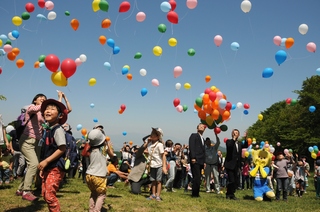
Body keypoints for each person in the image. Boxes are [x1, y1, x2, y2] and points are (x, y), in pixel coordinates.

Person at [37, 98, 68, 211]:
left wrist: (46, 161)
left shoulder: (57, 129)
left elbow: (62, 148)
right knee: (45, 194)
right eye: (46, 109)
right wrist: (44, 166)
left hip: (55, 167)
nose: (48, 110)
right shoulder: (48, 130)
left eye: (52, 109)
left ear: (60, 116)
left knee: (49, 196)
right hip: (48, 167)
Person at [16, 93, 47, 201]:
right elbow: (39, 107)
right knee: (34, 164)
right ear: (35, 100)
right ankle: (26, 191)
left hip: (37, 142)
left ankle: (20, 189)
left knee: (33, 166)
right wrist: (45, 103)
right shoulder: (31, 108)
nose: (43, 100)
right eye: (41, 99)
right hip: (27, 140)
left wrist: (60, 99)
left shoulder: (42, 114)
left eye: (45, 99)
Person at [85, 129, 114, 212]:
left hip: (89, 175)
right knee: (101, 195)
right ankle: (97, 210)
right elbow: (112, 156)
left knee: (93, 193)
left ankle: (91, 209)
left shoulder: (90, 149)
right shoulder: (103, 149)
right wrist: (108, 145)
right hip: (99, 176)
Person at [144, 127, 167, 201]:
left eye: (153, 134)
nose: (151, 135)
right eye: (151, 133)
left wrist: (164, 166)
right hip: (152, 164)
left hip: (158, 164)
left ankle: (158, 195)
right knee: (153, 180)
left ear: (157, 137)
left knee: (159, 181)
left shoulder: (159, 145)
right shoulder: (149, 144)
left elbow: (163, 155)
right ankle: (153, 194)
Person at [224, 129, 247, 200]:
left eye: (236, 133)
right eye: (234, 133)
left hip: (237, 165)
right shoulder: (229, 141)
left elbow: (245, 145)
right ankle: (229, 194)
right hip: (230, 164)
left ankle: (231, 194)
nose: (235, 134)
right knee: (231, 180)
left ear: (238, 135)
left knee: (236, 181)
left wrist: (246, 138)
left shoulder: (239, 143)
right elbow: (230, 146)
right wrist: (233, 139)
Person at [188, 123, 206, 198]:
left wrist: (204, 162)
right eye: (200, 126)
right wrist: (193, 157)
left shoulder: (203, 139)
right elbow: (192, 147)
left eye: (203, 126)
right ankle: (194, 193)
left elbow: (204, 151)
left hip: (201, 160)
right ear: (197, 128)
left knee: (199, 177)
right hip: (195, 159)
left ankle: (196, 192)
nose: (202, 127)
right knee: (196, 177)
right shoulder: (194, 135)